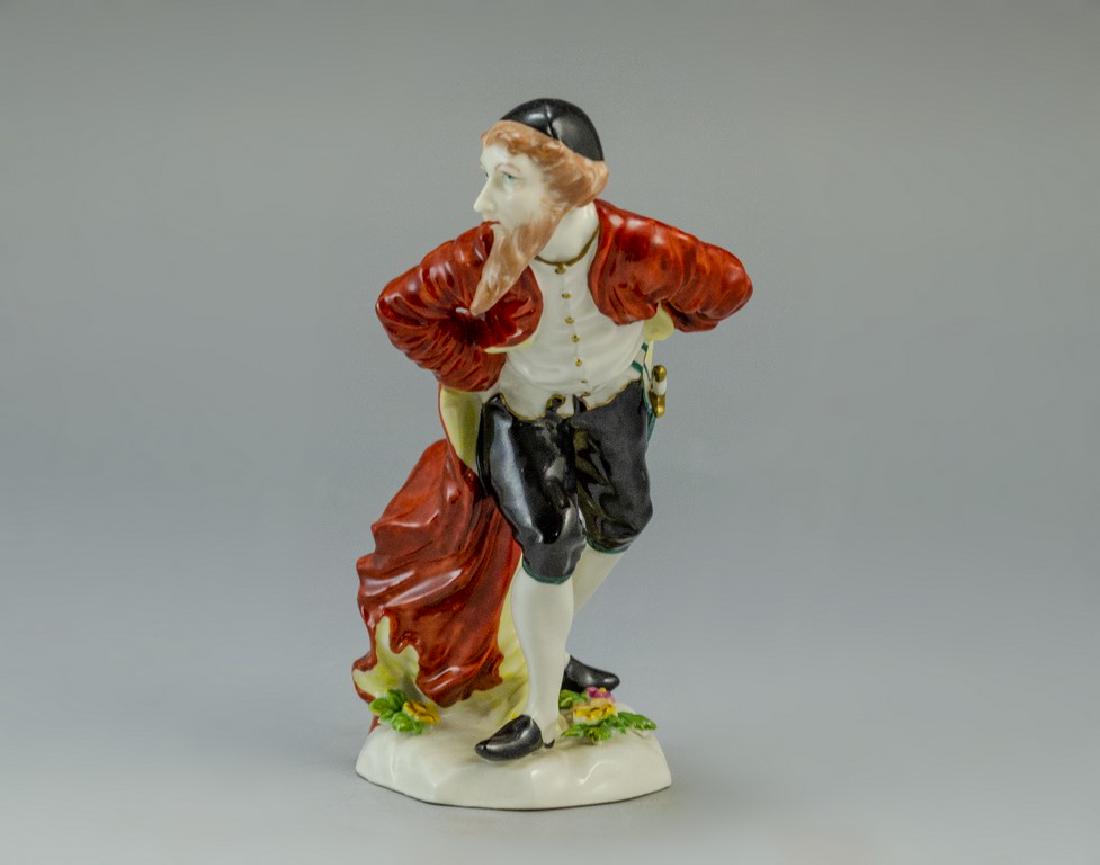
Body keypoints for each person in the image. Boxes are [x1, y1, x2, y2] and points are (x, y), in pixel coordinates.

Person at [354, 98, 752, 761]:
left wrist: (661, 318)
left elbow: (728, 285)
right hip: (524, 414)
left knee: (623, 522)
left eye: (506, 179)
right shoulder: (483, 255)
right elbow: (400, 308)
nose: (483, 201)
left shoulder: (640, 246)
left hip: (612, 407)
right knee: (547, 541)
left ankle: (543, 644)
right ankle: (539, 711)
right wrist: (474, 369)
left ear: (566, 185)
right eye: (488, 177)